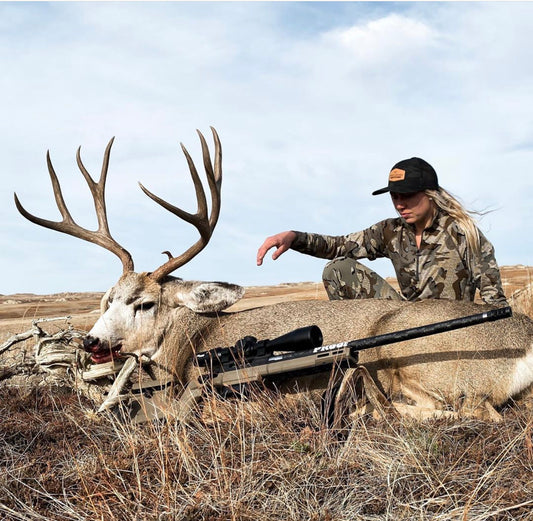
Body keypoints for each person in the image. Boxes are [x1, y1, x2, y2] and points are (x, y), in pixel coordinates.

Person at [256, 157, 508, 306]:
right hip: (403, 324)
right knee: (338, 269)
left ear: (430, 193)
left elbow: (494, 300)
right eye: (395, 196)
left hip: (451, 332)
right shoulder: (390, 231)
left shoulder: (463, 232)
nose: (399, 204)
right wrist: (294, 237)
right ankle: (357, 359)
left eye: (407, 196)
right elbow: (339, 246)